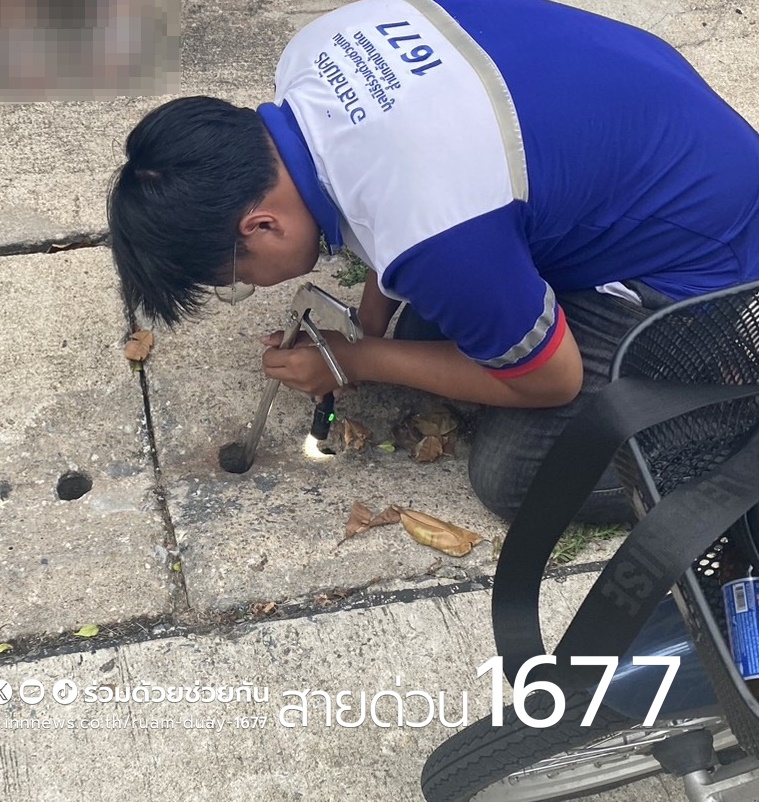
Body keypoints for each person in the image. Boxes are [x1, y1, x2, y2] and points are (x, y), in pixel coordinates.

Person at [107, 0, 759, 524]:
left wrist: (355, 359)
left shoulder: (434, 233)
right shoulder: (312, 53)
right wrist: (370, 324)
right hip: (652, 118)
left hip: (701, 248)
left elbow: (552, 381)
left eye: (238, 279)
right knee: (428, 334)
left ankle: (731, 428)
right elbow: (383, 199)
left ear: (262, 226)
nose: (251, 285)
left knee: (514, 476)